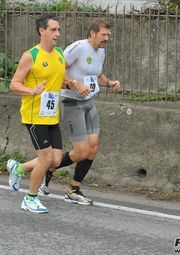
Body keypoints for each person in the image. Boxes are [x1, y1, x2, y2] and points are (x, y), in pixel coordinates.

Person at [39, 18, 121, 206]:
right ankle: (47, 169)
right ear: (92, 33)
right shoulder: (77, 48)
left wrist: (109, 83)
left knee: (92, 148)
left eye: (108, 35)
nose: (106, 38)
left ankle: (73, 189)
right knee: (81, 151)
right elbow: (58, 69)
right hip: (72, 102)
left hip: (88, 102)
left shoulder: (100, 51)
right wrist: (75, 85)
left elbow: (97, 75)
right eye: (103, 34)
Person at [6, 14, 78, 213]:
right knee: (46, 160)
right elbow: (14, 84)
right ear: (42, 31)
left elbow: (59, 77)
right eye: (53, 30)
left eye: (59, 30)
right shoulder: (31, 55)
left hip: (51, 114)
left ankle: (18, 169)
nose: (58, 34)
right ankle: (30, 198)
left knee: (55, 160)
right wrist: (32, 91)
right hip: (34, 115)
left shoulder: (59, 53)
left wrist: (69, 83)